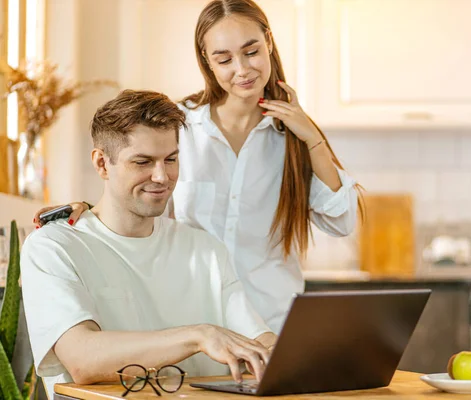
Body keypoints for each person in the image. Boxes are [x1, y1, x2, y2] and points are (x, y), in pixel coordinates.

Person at [33, 0, 363, 333]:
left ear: (269, 42)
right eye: (224, 59)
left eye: (251, 52)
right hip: (193, 325)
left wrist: (311, 138)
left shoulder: (293, 137)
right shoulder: (180, 126)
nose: (242, 70)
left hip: (272, 324)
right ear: (207, 60)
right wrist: (88, 211)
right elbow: (143, 204)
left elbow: (341, 220)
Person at [22, 90, 277, 398]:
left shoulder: (205, 249)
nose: (162, 176)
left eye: (171, 159)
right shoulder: (53, 246)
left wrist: (286, 352)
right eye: (143, 162)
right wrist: (198, 336)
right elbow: (82, 358)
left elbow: (259, 341)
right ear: (102, 163)